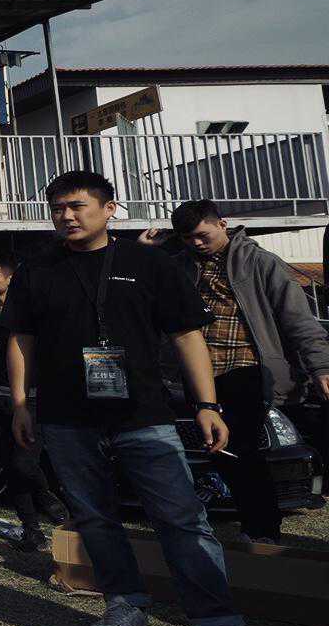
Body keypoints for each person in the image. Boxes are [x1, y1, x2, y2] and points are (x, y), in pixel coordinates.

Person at [5, 171, 303, 626]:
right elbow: (21, 339)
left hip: (143, 413)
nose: (66, 216)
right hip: (66, 416)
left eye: (76, 205)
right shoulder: (38, 269)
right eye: (57, 208)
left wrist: (206, 404)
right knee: (95, 517)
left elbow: (188, 337)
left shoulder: (149, 263)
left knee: (182, 518)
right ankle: (126, 603)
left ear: (110, 209)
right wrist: (19, 403)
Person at [140, 200, 329, 545]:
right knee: (216, 448)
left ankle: (262, 528)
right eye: (188, 238)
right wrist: (146, 250)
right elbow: (143, 284)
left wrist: (321, 366)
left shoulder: (259, 262)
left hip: (246, 366)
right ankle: (243, 519)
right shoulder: (178, 264)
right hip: (197, 371)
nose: (197, 243)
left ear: (223, 224)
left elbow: (298, 319)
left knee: (241, 447)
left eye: (203, 235)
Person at [0, 256, 65, 551]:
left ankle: (46, 497)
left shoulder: (33, 314)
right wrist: (3, 353)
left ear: (10, 278)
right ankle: (31, 528)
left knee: (25, 462)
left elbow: (41, 356)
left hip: (31, 400)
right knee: (10, 464)